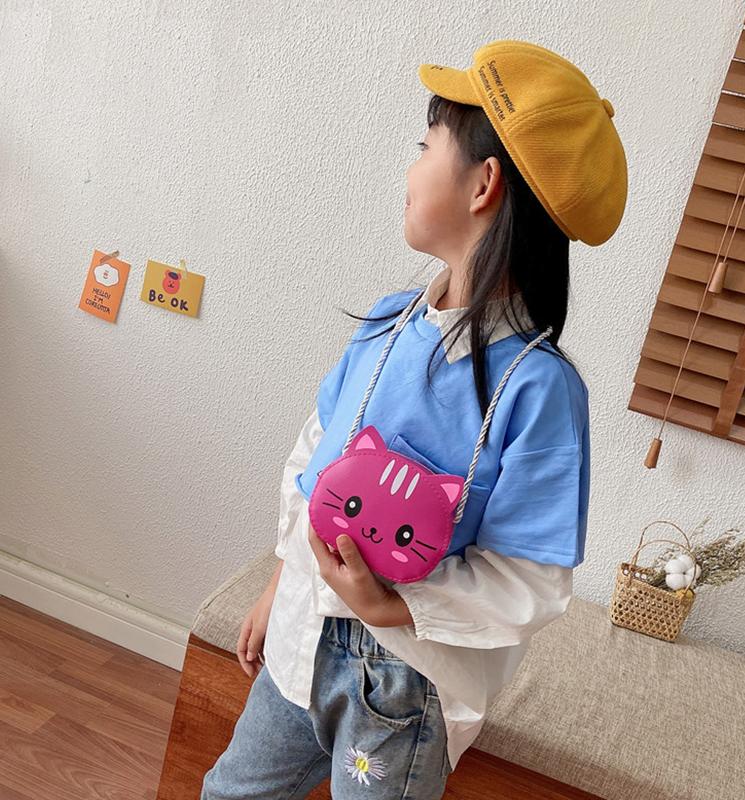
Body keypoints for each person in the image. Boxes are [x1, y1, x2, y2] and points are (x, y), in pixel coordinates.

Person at [201, 38, 627, 800]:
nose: (410, 167)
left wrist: (394, 604)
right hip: (300, 639)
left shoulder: (540, 392)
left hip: (401, 689)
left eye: (425, 147)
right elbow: (315, 459)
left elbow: (530, 578)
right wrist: (279, 582)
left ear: (483, 184)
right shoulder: (387, 324)